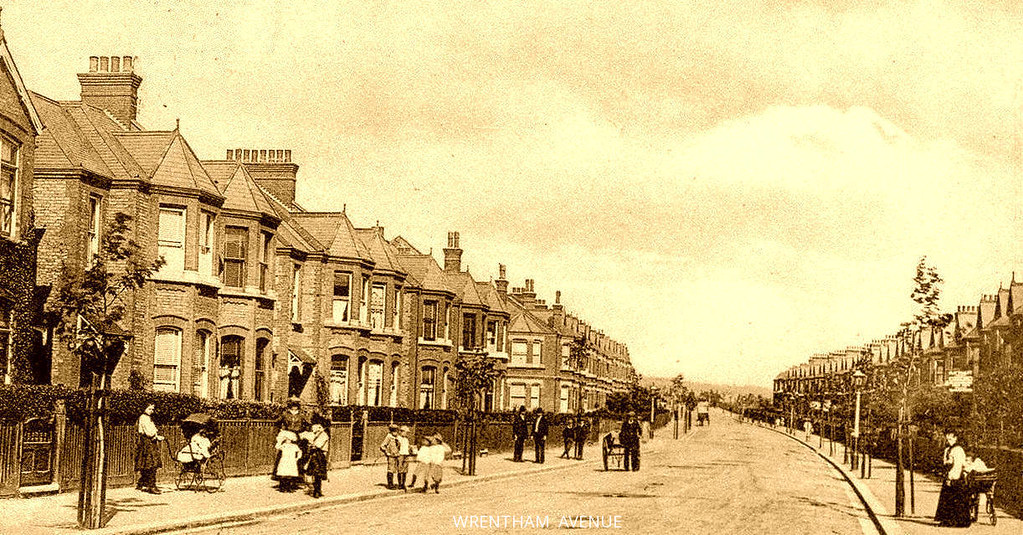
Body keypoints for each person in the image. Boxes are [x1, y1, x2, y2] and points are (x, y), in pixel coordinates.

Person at [934, 430, 971, 527]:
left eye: (950, 439)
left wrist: (951, 477)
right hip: (949, 475)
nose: (948, 441)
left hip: (956, 477)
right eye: (947, 439)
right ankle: (947, 521)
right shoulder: (948, 449)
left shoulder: (958, 449)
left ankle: (956, 522)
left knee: (955, 499)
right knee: (947, 499)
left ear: (955, 438)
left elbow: (957, 465)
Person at [135, 403, 165, 494]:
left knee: (147, 463)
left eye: (152, 409)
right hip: (147, 442)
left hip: (148, 442)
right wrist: (156, 436)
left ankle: (142, 483)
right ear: (144, 409)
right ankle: (151, 486)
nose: (151, 411)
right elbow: (149, 433)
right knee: (152, 464)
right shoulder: (144, 418)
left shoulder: (148, 418)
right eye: (149, 409)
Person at [302, 419, 329, 498]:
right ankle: (314, 490)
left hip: (320, 455)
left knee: (317, 473)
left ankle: (317, 491)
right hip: (314, 455)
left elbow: (318, 446)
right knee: (311, 473)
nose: (313, 428)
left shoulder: (324, 435)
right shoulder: (316, 434)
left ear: (319, 427)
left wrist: (311, 444)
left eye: (314, 426)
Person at [380, 424, 401, 489]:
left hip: (397, 455)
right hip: (391, 456)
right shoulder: (389, 437)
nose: (395, 432)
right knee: (390, 470)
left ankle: (399, 484)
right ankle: (390, 484)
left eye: (396, 430)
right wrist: (387, 452)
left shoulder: (398, 437)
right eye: (393, 430)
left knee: (398, 469)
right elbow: (382, 446)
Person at [397, 425, 412, 490]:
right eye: (406, 432)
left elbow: (407, 446)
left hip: (406, 455)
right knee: (400, 469)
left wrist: (410, 448)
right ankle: (400, 484)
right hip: (400, 455)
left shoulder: (406, 439)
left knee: (405, 470)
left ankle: (403, 484)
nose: (406, 434)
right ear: (401, 432)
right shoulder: (398, 438)